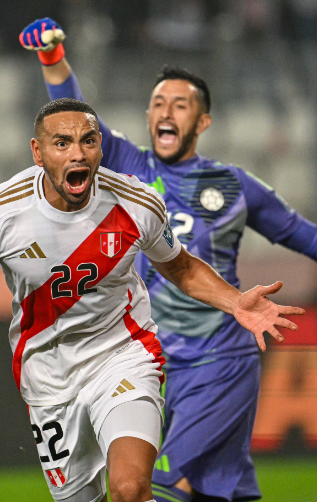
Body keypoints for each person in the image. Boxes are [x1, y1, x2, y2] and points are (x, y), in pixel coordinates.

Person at [0, 98, 304, 502]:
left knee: (130, 487)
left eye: (88, 141)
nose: (78, 154)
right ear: (37, 152)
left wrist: (235, 302)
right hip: (47, 376)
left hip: (122, 355)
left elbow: (181, 267)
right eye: (62, 143)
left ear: (100, 147)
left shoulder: (136, 202)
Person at [18, 18, 317, 502]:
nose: (166, 111)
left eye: (180, 104)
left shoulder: (235, 185)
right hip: (154, 359)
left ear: (201, 122)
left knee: (150, 485)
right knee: (220, 491)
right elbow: (75, 118)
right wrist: (53, 57)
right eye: (158, 102)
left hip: (218, 358)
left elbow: (305, 237)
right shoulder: (128, 166)